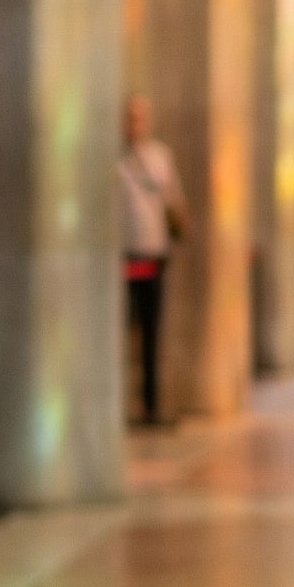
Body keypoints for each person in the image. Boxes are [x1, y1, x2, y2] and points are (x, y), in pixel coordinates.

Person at [117, 94, 188, 425]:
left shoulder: (160, 156)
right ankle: (122, 406)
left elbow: (173, 199)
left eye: (141, 116)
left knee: (152, 332)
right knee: (121, 333)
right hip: (123, 257)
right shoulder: (114, 159)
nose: (136, 123)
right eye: (130, 116)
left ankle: (151, 404)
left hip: (154, 255)